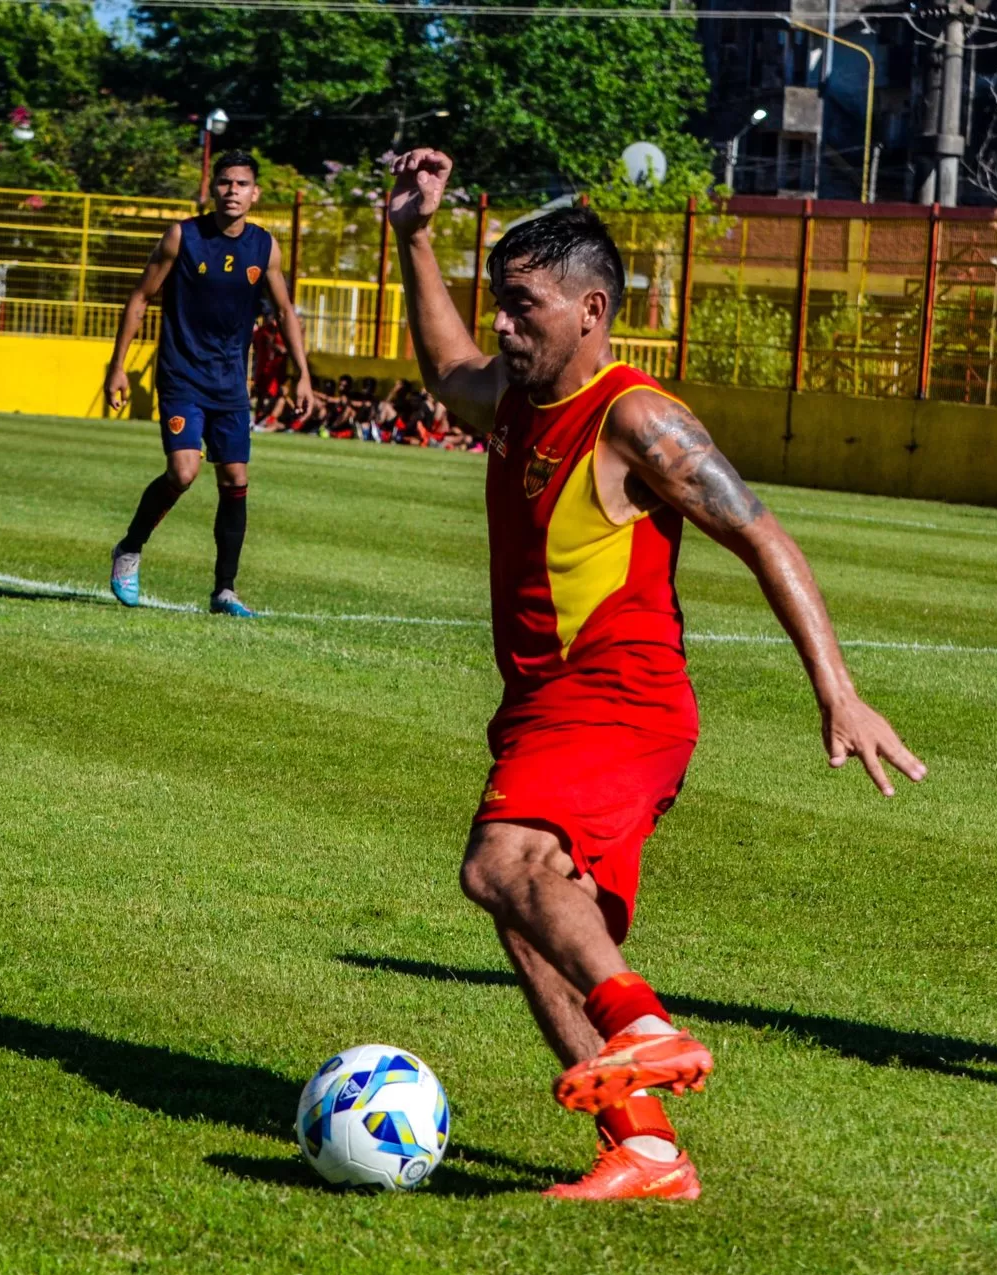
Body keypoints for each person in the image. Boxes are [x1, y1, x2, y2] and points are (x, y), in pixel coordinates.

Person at [388, 149, 925, 1200]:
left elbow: (764, 537)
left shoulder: (636, 418)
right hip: (544, 703)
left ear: (590, 310)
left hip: (619, 699)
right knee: (534, 915)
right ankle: (644, 1147)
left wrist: (837, 689)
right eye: (498, 304)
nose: (500, 324)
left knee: (497, 864)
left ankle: (638, 1022)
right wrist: (412, 233)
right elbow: (447, 369)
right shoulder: (512, 394)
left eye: (521, 307)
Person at [104, 151, 317, 617]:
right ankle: (130, 548)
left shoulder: (266, 248)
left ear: (255, 193)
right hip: (182, 375)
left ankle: (225, 591)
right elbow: (141, 297)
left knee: (235, 478)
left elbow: (284, 312)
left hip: (230, 384)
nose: (232, 191)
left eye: (242, 184)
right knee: (183, 473)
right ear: (212, 189)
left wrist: (303, 373)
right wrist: (117, 366)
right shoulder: (183, 236)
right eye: (225, 183)